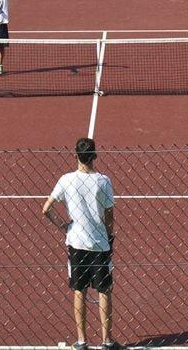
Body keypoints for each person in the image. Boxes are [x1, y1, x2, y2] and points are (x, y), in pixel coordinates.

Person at [42, 136, 118, 350]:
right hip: (100, 243)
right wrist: (109, 237)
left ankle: (82, 341)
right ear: (94, 156)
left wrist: (65, 226)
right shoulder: (103, 180)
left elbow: (46, 209)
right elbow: (110, 215)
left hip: (76, 243)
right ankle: (107, 341)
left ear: (75, 156)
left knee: (79, 290)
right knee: (104, 291)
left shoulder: (66, 180)